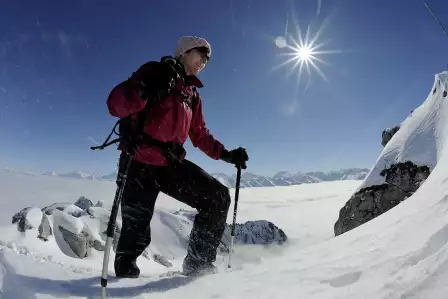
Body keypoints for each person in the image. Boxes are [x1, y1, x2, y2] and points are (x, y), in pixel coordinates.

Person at [105, 36, 249, 278]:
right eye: (200, 53)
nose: (204, 60)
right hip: (138, 162)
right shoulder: (153, 71)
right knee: (134, 235)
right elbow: (115, 105)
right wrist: (145, 87)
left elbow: (200, 134)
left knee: (217, 197)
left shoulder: (191, 94)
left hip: (169, 164)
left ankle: (198, 266)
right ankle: (124, 281)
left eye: (207, 58)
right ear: (183, 51)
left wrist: (227, 155)